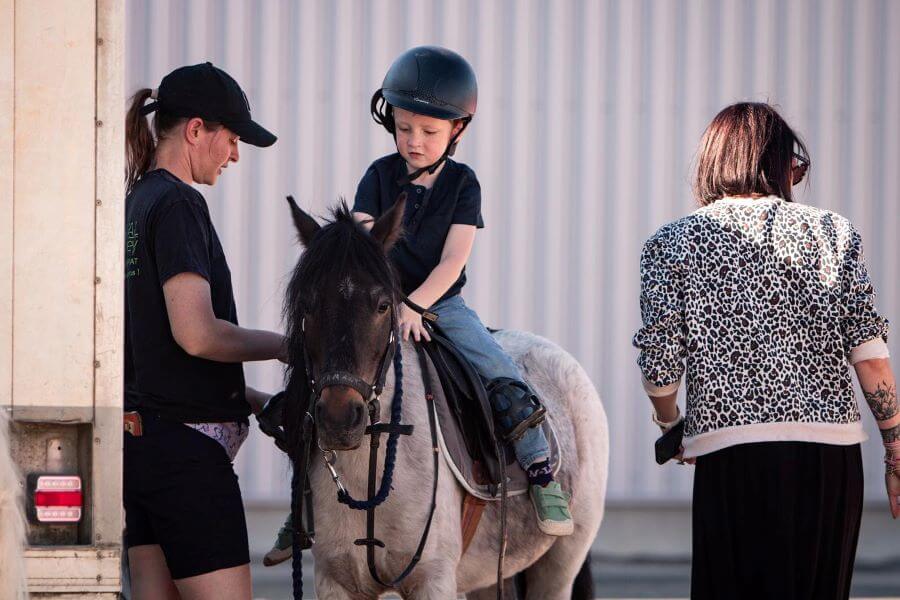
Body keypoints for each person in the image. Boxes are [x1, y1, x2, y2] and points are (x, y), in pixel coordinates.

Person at [263, 45, 572, 567]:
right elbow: (360, 242)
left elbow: (452, 263)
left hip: (440, 305)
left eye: (429, 132)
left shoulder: (463, 185)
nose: (415, 141)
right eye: (405, 128)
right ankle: (305, 505)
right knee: (321, 382)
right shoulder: (379, 175)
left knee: (498, 373)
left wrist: (414, 305)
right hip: (375, 305)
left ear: (457, 130)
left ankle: (540, 472)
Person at [633, 102, 900, 600]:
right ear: (778, 163)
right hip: (830, 456)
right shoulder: (833, 232)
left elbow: (660, 366)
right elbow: (870, 354)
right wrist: (895, 449)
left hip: (731, 454)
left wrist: (671, 425)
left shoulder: (670, 243)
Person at [123, 62, 285, 600]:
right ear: (196, 130)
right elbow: (196, 335)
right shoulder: (178, 204)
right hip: (186, 461)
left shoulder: (135, 201)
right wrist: (291, 346)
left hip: (141, 448)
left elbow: (158, 351)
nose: (236, 155)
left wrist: (251, 398)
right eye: (232, 138)